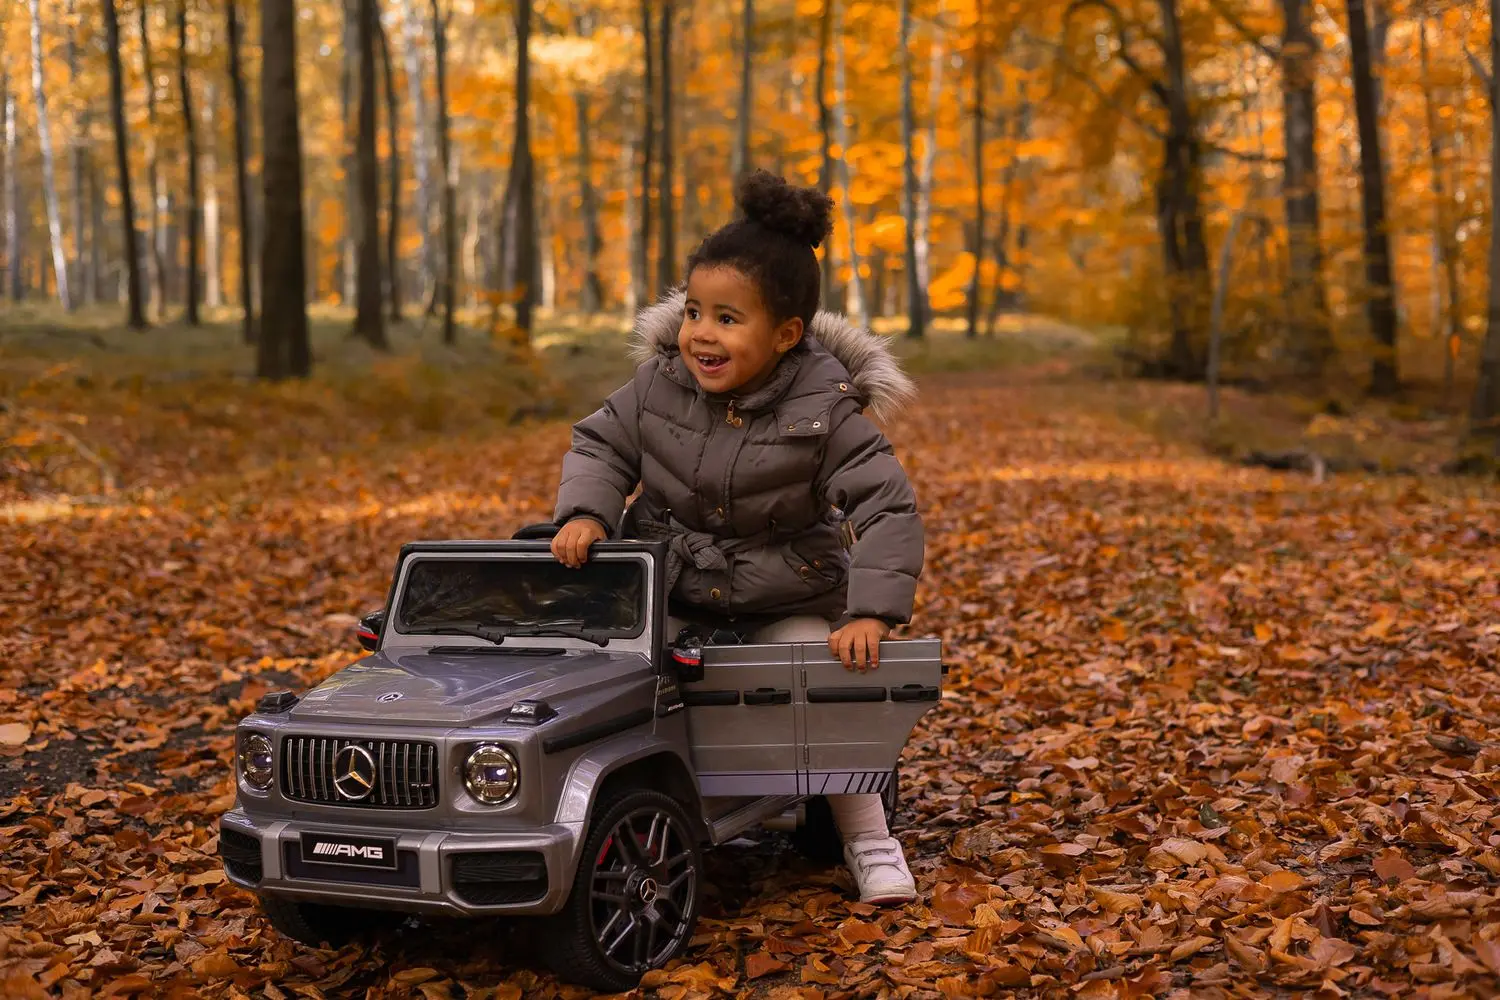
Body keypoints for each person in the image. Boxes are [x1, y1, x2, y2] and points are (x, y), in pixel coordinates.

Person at [549, 169, 924, 905]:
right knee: (609, 674)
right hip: (674, 585)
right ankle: (624, 806)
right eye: (694, 311)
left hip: (781, 593)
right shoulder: (657, 386)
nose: (701, 334)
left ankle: (868, 835)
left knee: (818, 676)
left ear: (786, 335)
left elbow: (886, 507)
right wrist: (586, 514)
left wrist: (872, 612)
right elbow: (600, 447)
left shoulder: (826, 411)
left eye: (728, 318)